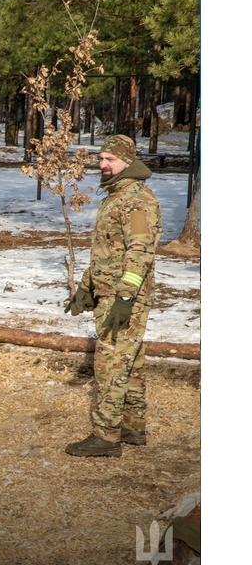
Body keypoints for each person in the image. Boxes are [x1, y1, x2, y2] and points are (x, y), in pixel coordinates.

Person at [64, 135, 162, 458]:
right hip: (110, 295)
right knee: (130, 362)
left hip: (125, 299)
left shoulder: (138, 201)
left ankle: (106, 436)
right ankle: (133, 427)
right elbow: (105, 250)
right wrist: (86, 288)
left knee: (110, 363)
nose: (103, 164)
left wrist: (123, 298)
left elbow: (139, 252)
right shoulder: (115, 197)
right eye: (101, 158)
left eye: (110, 159)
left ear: (127, 162)